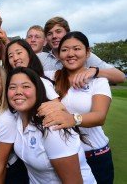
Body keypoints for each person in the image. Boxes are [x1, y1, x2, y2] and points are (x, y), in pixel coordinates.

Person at [41, 31, 114, 183]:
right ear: (59, 54)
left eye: (77, 48)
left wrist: (72, 119)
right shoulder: (52, 76)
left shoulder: (98, 81)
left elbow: (100, 116)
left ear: (87, 52)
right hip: (64, 157)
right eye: (65, 50)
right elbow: (21, 66)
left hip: (95, 156)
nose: (70, 54)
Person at [6, 67, 96, 184]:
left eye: (26, 86)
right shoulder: (17, 120)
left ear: (38, 91)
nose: (18, 91)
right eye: (12, 87)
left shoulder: (53, 128)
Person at [37, 16, 125, 87]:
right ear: (46, 38)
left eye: (58, 31)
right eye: (49, 33)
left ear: (67, 33)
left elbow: (120, 77)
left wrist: (95, 71)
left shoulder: (85, 56)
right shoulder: (40, 58)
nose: (54, 36)